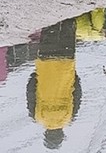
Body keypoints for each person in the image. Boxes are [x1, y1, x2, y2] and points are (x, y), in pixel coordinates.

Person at [26, 18, 81, 150]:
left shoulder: (70, 117)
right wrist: (36, 75)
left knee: (68, 25)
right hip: (46, 64)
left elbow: (77, 91)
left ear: (61, 134)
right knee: (49, 27)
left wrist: (73, 75)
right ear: (46, 134)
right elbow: (30, 90)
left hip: (66, 64)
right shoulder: (37, 116)